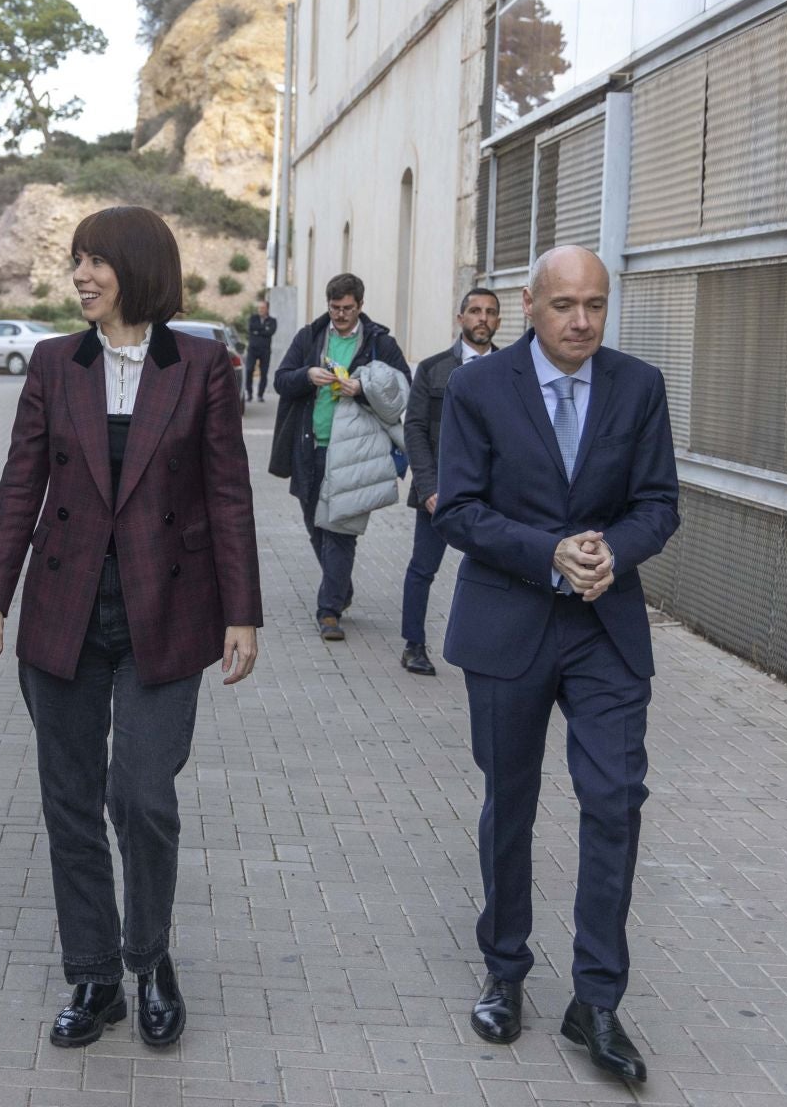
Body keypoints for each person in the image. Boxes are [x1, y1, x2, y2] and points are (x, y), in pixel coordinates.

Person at [0, 206, 261, 1051]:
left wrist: (242, 610)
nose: (83, 277)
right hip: (64, 612)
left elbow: (229, 496)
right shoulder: (57, 364)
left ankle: (151, 957)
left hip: (164, 615)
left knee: (141, 795)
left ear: (139, 268)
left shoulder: (202, 364)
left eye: (97, 262)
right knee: (68, 801)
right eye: (77, 263)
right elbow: (21, 486)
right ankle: (94, 974)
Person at [434, 246, 679, 1085]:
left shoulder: (638, 386)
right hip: (509, 623)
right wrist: (550, 553)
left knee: (614, 798)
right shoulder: (476, 389)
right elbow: (459, 508)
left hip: (604, 626)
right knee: (512, 800)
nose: (582, 321)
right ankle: (506, 970)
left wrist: (610, 549)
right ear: (529, 305)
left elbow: (659, 503)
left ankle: (597, 1000)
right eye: (566, 304)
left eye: (597, 306)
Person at [268, 272, 409, 641]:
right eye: (335, 308)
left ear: (360, 306)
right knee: (315, 525)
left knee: (340, 529)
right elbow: (280, 380)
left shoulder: (379, 343)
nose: (341, 315)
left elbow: (401, 390)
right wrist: (306, 375)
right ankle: (340, 588)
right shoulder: (311, 336)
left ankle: (328, 610)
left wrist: (363, 389)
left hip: (354, 453)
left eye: (347, 309)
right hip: (310, 448)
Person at [397, 287, 499, 676]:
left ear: (498, 320)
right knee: (423, 568)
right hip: (440, 490)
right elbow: (416, 430)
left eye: (490, 312)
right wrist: (428, 488)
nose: (482, 319)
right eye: (475, 311)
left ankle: (492, 646)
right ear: (460, 319)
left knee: (495, 571)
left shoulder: (511, 368)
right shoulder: (434, 368)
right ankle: (414, 645)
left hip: (492, 494)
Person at [243, 297, 277, 401]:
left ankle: (260, 395)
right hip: (252, 349)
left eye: (263, 308)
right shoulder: (253, 318)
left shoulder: (272, 321)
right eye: (259, 308)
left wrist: (258, 331)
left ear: (267, 309)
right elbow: (251, 329)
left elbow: (270, 332)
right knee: (249, 370)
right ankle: (249, 393)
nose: (260, 310)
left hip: (265, 350)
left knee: (264, 372)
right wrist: (263, 329)